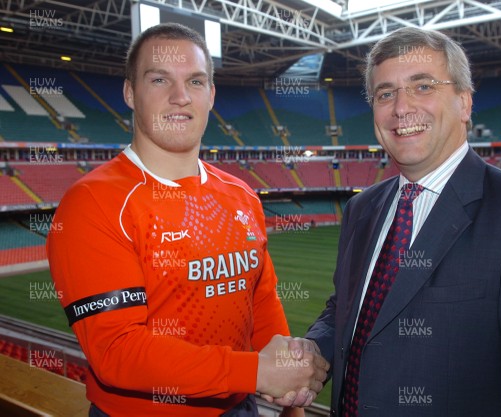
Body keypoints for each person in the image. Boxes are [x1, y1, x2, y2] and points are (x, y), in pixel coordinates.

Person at [303, 27, 501, 416]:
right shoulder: (363, 209)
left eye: (422, 86)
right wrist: (310, 353)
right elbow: (346, 310)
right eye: (385, 93)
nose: (401, 107)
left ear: (464, 103)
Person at [47, 23, 328, 417]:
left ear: (211, 95)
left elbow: (261, 305)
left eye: (195, 82)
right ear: (130, 92)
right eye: (160, 79)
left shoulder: (242, 194)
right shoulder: (92, 202)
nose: (180, 97)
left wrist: (291, 404)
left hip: (240, 406)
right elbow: (117, 351)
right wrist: (256, 372)